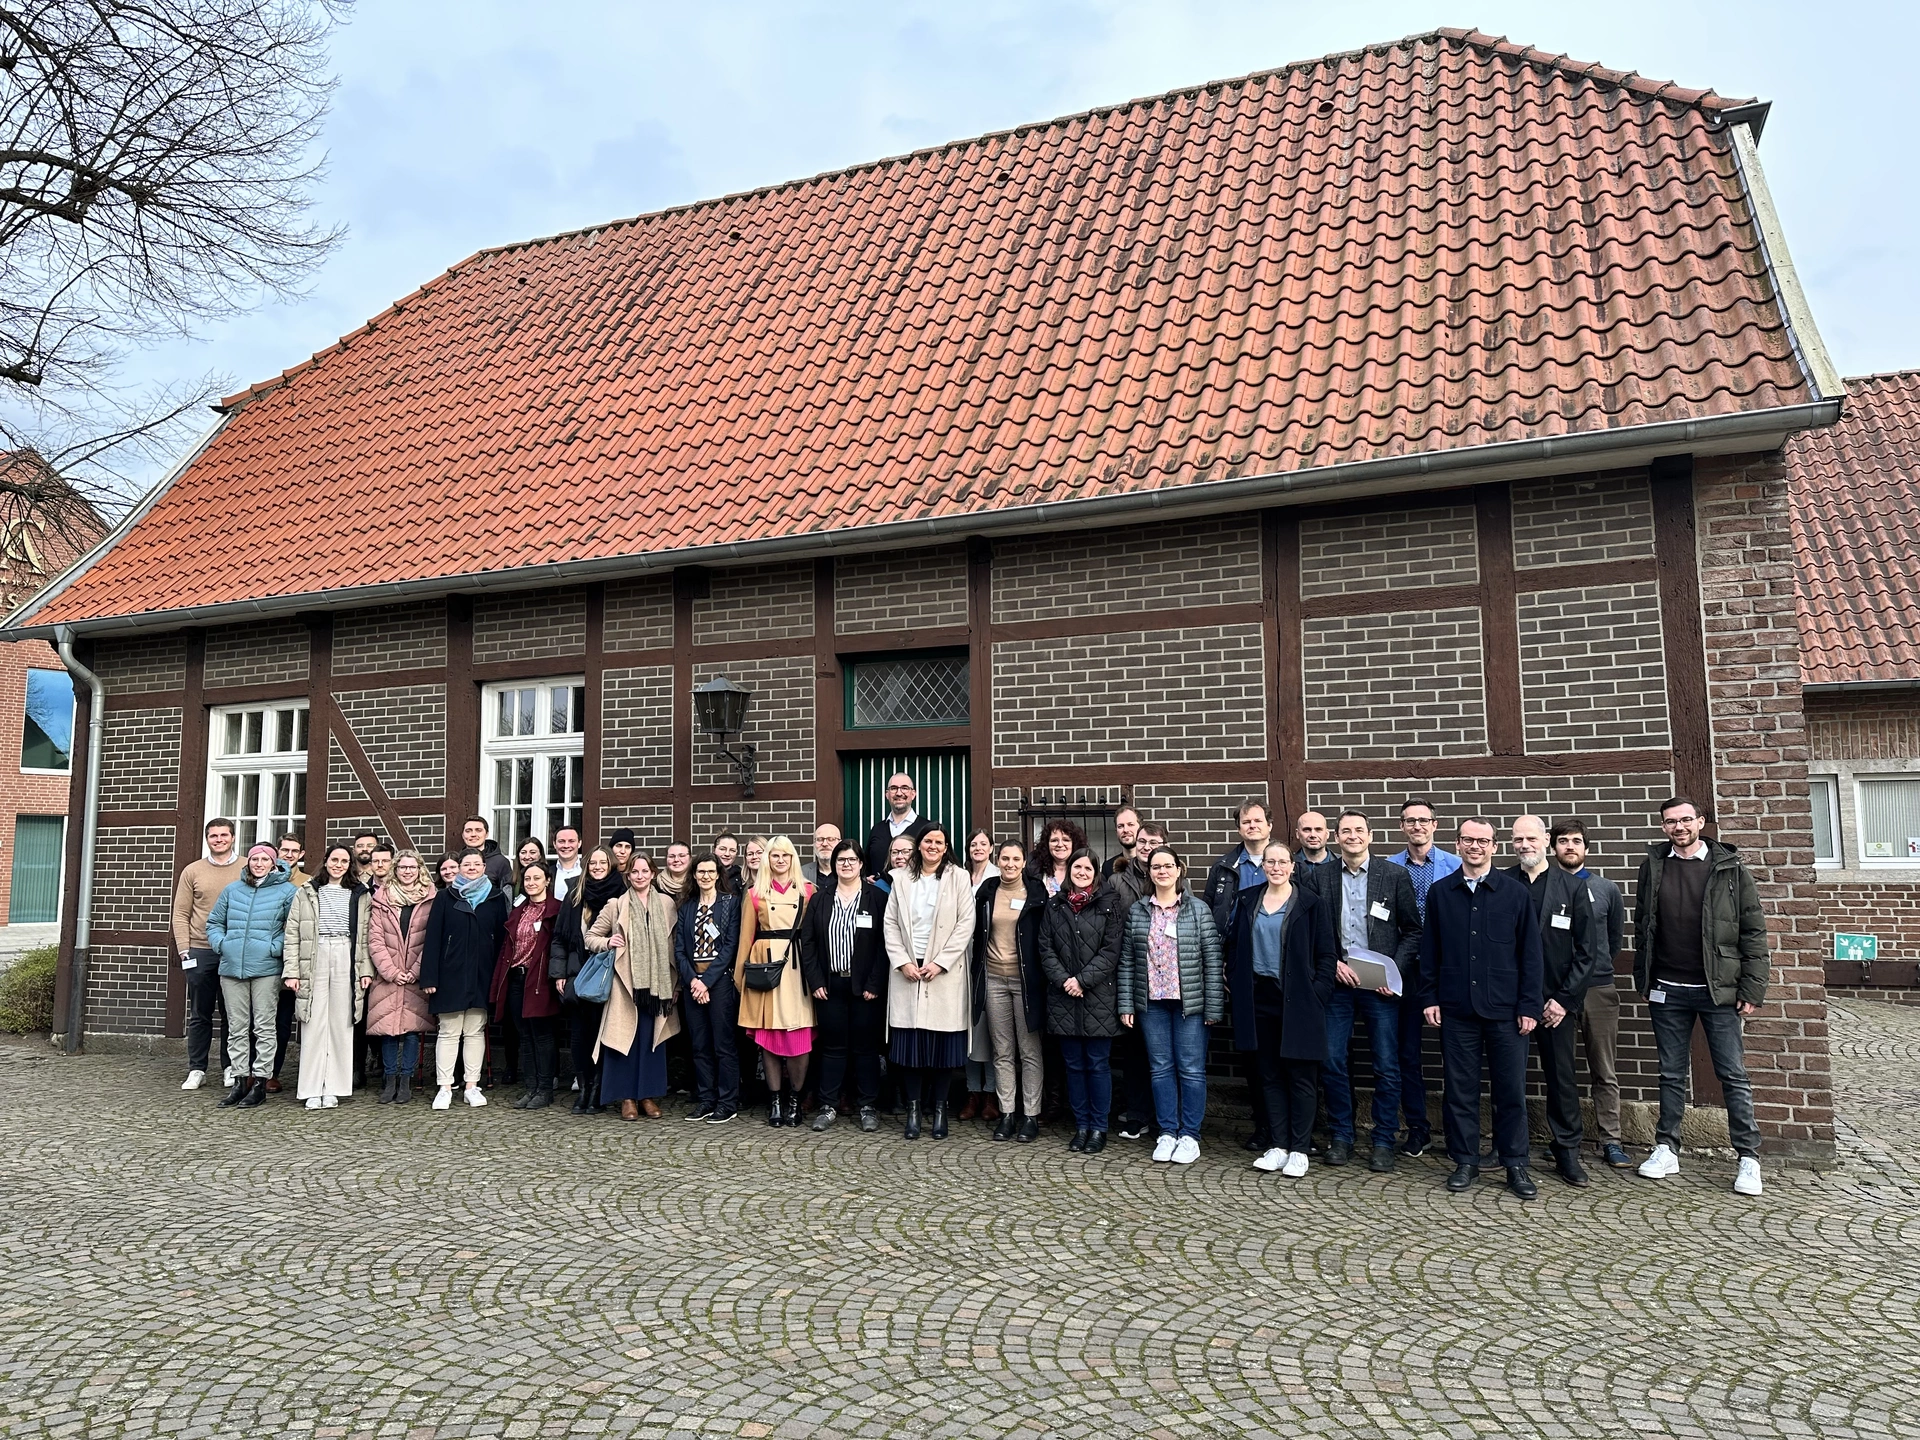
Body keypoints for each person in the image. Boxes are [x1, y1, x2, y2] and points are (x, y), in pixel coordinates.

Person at [1633, 797, 1769, 1197]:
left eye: (1686, 820)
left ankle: (1748, 1157)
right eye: (1671, 821)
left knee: (1732, 1074)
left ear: (1700, 822)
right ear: (1663, 827)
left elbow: (1753, 930)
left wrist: (1752, 987)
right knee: (1671, 1074)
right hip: (1667, 988)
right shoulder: (1653, 865)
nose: (1679, 827)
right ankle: (1666, 1148)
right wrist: (1645, 977)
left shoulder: (1729, 867)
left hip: (1718, 989)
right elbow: (1644, 924)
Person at [1419, 819, 1543, 1199]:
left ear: (1494, 846)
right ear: (1457, 844)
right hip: (1457, 1007)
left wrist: (1529, 1006)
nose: (1476, 846)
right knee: (1460, 1089)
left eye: (1483, 841)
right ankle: (1465, 1160)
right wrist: (1429, 997)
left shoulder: (1514, 893)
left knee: (1510, 1090)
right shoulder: (1441, 893)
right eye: (1469, 840)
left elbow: (1531, 955)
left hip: (1506, 1010)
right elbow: (1430, 952)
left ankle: (1515, 1163)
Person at [1228, 839, 1337, 1178]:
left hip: (1299, 1000)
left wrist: (1317, 992)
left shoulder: (1311, 903)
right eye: (1270, 862)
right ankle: (1277, 1145)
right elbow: (1232, 946)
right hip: (1259, 999)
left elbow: (1326, 954)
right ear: (1263, 867)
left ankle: (1300, 1149)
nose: (1276, 867)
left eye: (1282, 862)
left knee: (1302, 1077)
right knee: (1270, 1076)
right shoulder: (1246, 900)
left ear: (1293, 866)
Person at [1322, 810, 1423, 1173]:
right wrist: (1331, 962)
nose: (1352, 836)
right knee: (1332, 1060)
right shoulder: (1320, 876)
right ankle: (1342, 1136)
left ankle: (1383, 1140)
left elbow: (1413, 930)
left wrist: (1390, 970)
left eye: (1358, 830)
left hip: (1380, 987)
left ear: (1371, 836)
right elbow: (1314, 932)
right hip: (1338, 983)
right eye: (1345, 831)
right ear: (1337, 838)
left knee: (1386, 1065)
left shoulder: (1393, 875)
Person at [1506, 815, 1604, 1187]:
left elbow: (1587, 952)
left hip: (1554, 1005)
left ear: (1546, 840)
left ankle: (1567, 1153)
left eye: (1531, 838)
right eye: (1518, 840)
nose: (1525, 845)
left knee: (1561, 1078)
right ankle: (1508, 1149)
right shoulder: (1502, 883)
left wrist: (1563, 1000)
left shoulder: (1572, 887)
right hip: (1511, 1002)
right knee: (1507, 1078)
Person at [1117, 845, 1224, 1165]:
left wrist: (1214, 1006)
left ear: (1180, 870)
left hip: (1190, 1004)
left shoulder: (1197, 909)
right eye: (1155, 867)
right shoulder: (1138, 910)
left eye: (1168, 866)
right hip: (1152, 1004)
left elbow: (1212, 959)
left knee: (1190, 1070)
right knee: (1160, 1069)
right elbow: (1126, 962)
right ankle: (1167, 1132)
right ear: (1149, 873)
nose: (1162, 871)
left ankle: (1190, 1135)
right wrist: (1126, 1003)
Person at [883, 823, 975, 1139]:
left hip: (943, 974)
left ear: (946, 846)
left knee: (941, 1050)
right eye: (928, 841)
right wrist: (903, 962)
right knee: (911, 1050)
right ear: (919, 845)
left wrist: (940, 963)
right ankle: (912, 1111)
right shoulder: (900, 879)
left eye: (939, 841)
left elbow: (966, 924)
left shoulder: (959, 878)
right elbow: (890, 925)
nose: (933, 846)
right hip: (909, 971)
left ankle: (939, 1111)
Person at [1385, 797, 1461, 1157]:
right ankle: (1419, 1128)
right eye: (1410, 821)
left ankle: (1459, 1133)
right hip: (1405, 969)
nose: (1417, 826)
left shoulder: (1457, 865)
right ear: (1402, 827)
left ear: (1435, 824)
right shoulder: (1387, 867)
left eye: (1423, 820)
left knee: (1458, 1053)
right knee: (1407, 1053)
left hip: (1450, 968)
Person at [797, 839, 889, 1132]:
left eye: (852, 860)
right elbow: (807, 942)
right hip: (830, 984)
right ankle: (828, 1105)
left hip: (866, 987)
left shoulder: (876, 898)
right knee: (832, 1048)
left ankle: (868, 1106)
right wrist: (815, 980)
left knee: (865, 1049)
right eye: (841, 860)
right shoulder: (820, 899)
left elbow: (884, 944)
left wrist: (875, 981)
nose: (846, 864)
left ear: (861, 864)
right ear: (833, 865)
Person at [1038, 845, 1124, 1152]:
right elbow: (1045, 948)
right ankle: (1081, 1125)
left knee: (1097, 1064)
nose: (1082, 873)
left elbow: (1111, 951)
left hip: (1098, 997)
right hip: (1064, 998)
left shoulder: (1109, 905)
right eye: (1077, 868)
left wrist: (1082, 980)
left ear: (1096, 872)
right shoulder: (1055, 906)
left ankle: (1099, 1128)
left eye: (1088, 869)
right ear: (1069, 872)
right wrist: (1064, 980)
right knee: (1073, 1066)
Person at [1554, 821, 1630, 1168]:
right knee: (1560, 1069)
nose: (1570, 846)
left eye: (1576, 841)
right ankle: (1564, 1140)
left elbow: (1613, 940)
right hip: (1557, 991)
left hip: (1598, 988)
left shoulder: (1606, 889)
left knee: (1604, 1068)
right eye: (1563, 841)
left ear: (1587, 848)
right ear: (1552, 847)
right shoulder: (1546, 887)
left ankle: (1610, 1139)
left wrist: (1594, 970)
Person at [587, 851, 679, 1120]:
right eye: (635, 872)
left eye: (645, 871)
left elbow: (675, 947)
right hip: (626, 986)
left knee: (651, 1044)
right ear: (629, 876)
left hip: (658, 987)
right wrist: (608, 943)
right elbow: (591, 937)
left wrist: (677, 986)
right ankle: (627, 1098)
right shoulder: (617, 904)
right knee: (625, 1041)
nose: (640, 876)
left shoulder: (667, 903)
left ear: (653, 873)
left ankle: (647, 1096)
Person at [282, 844, 373, 1109]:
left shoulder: (360, 893)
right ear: (325, 861)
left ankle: (334, 1087)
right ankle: (311, 1088)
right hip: (316, 952)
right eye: (335, 859)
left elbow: (365, 936)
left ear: (350, 865)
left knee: (341, 1022)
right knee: (313, 1020)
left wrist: (365, 970)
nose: (339, 864)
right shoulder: (308, 890)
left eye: (345, 861)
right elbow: (293, 933)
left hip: (346, 952)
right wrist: (292, 971)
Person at [207, 843, 298, 1109]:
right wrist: (222, 945)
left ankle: (260, 1082)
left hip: (266, 969)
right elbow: (214, 922)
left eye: (264, 859)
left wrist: (273, 948)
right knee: (236, 1027)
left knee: (264, 1027)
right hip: (232, 968)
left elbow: (292, 927)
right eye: (254, 859)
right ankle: (239, 1079)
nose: (258, 863)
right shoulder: (233, 890)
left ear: (274, 863)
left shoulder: (287, 891)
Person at [734, 836, 816, 1126]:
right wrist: (739, 976)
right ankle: (776, 1101)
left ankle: (796, 1099)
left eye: (786, 855)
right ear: (767, 859)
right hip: (764, 967)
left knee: (798, 1038)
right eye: (775, 856)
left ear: (794, 859)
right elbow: (746, 937)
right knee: (768, 1039)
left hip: (797, 969)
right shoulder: (756, 893)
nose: (780, 860)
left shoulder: (809, 891)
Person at [420, 848, 509, 1111]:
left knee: (474, 1031)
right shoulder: (445, 898)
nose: (471, 868)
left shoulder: (494, 899)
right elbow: (433, 938)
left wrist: (497, 979)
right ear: (458, 868)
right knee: (448, 1032)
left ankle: (472, 1085)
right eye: (466, 864)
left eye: (476, 864)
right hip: (450, 974)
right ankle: (445, 1087)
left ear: (484, 867)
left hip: (482, 974)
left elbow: (502, 941)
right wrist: (429, 976)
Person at [973, 838, 1050, 1141]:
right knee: (1002, 1051)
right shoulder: (988, 890)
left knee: (1029, 1050)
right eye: (1005, 858)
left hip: (1026, 982)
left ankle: (1030, 1115)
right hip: (994, 979)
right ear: (998, 859)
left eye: (1016, 859)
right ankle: (1007, 1113)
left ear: (1023, 862)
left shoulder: (1036, 892)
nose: (1010, 864)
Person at [549, 846, 624, 1114]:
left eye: (603, 862)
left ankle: (599, 1091)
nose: (597, 867)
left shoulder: (622, 894)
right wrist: (558, 973)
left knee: (602, 1034)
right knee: (579, 1036)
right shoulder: (575, 895)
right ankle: (584, 1087)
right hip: (578, 974)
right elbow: (559, 938)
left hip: (610, 975)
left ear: (611, 865)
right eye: (593, 862)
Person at [1102, 820, 1164, 1141]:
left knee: (1162, 1054)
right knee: (1135, 1052)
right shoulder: (1116, 880)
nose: (1146, 846)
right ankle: (1137, 1115)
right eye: (1142, 841)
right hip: (1130, 973)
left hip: (1165, 978)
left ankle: (1161, 1118)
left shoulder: (1171, 876)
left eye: (1153, 841)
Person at [173, 817, 242, 1090]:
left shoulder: (246, 867)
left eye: (224, 835)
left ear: (233, 837)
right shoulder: (192, 871)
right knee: (200, 1013)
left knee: (232, 1013)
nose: (219, 840)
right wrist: (183, 949)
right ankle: (197, 1068)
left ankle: (230, 1067)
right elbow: (180, 913)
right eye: (214, 836)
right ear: (207, 839)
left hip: (234, 950)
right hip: (200, 950)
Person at [674, 852, 742, 1124]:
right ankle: (706, 1099)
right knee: (699, 1044)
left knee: (723, 1045)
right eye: (700, 872)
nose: (705, 876)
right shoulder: (687, 906)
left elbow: (730, 947)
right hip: (693, 984)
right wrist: (692, 980)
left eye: (710, 872)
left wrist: (706, 982)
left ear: (718, 875)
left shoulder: (730, 903)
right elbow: (679, 949)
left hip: (720, 983)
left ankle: (727, 1102)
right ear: (694, 875)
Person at [491, 858, 562, 1109]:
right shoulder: (518, 910)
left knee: (542, 1036)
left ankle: (545, 1089)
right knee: (524, 1036)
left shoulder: (556, 911)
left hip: (541, 980)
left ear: (548, 881)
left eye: (537, 878)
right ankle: (530, 1087)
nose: (531, 883)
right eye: (528, 879)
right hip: (516, 979)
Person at [366, 849, 435, 1104]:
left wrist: (414, 971)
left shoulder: (430, 898)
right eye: (402, 867)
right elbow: (375, 940)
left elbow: (431, 939)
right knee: (388, 1031)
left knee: (411, 1031)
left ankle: (406, 1081)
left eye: (412, 867)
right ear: (395, 869)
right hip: (388, 976)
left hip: (415, 976)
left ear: (419, 870)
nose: (407, 871)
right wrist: (392, 972)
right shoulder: (381, 898)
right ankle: (389, 1079)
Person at [960, 826, 1003, 1125]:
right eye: (973, 844)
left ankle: (990, 1093)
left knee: (987, 1028)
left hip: (989, 959)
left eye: (983, 843)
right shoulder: (960, 876)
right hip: (961, 960)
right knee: (966, 1027)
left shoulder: (999, 876)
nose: (978, 848)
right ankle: (971, 1091)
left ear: (991, 848)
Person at [265, 832, 309, 1090]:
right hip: (265, 960)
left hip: (293, 962)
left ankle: (273, 1071)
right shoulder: (262, 879)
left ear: (301, 854)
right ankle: (252, 1070)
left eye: (294, 851)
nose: (289, 855)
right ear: (277, 852)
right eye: (285, 850)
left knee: (282, 1021)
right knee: (259, 1021)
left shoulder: (307, 883)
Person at [1203, 799, 1272, 934]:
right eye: (1246, 822)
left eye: (1258, 821)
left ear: (1269, 825)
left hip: (1274, 943)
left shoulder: (1290, 865)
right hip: (1231, 945)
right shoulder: (1222, 867)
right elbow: (1207, 912)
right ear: (1239, 829)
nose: (1252, 826)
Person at [863, 772, 928, 878]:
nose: (899, 793)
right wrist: (866, 879)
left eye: (904, 788)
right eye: (893, 788)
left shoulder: (926, 829)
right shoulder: (877, 829)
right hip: (878, 893)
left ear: (913, 794)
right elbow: (866, 866)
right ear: (887, 794)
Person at [1028, 819, 1084, 896]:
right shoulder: (1033, 870)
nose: (1060, 844)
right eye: (1054, 840)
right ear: (1046, 845)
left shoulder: (1085, 872)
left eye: (1066, 840)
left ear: (1074, 844)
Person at [461, 816, 514, 890]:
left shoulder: (500, 862)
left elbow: (507, 893)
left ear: (486, 834)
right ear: (463, 835)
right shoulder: (456, 860)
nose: (473, 834)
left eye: (478, 830)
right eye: (468, 831)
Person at [1292, 811, 1336, 893]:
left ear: (1327, 834)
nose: (1313, 835)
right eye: (1307, 830)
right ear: (1297, 834)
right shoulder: (1288, 865)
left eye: (1318, 830)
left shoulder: (1341, 863)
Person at [1101, 806, 1142, 880]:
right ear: (1116, 831)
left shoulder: (1149, 863)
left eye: (1130, 825)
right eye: (1120, 826)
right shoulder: (1108, 867)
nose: (1125, 830)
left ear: (1140, 828)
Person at [801, 822, 842, 886]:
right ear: (814, 843)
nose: (824, 844)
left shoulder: (850, 872)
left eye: (831, 839)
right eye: (820, 839)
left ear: (840, 843)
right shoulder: (801, 873)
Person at [551, 825, 583, 899]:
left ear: (579, 843)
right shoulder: (547, 873)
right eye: (561, 841)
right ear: (554, 844)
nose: (566, 845)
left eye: (571, 841)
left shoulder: (587, 870)